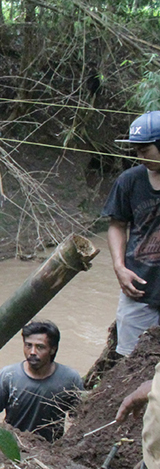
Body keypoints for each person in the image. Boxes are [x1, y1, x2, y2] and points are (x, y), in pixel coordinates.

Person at [104, 110, 160, 357]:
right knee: (131, 362)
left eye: (145, 150)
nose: (140, 157)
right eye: (136, 151)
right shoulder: (129, 181)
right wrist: (119, 266)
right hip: (139, 288)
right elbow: (117, 225)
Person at [0, 320, 83, 441]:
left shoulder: (69, 379)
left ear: (52, 349)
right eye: (28, 345)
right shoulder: (8, 376)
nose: (32, 352)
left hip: (49, 451)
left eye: (40, 347)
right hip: (14, 445)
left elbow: (80, 420)